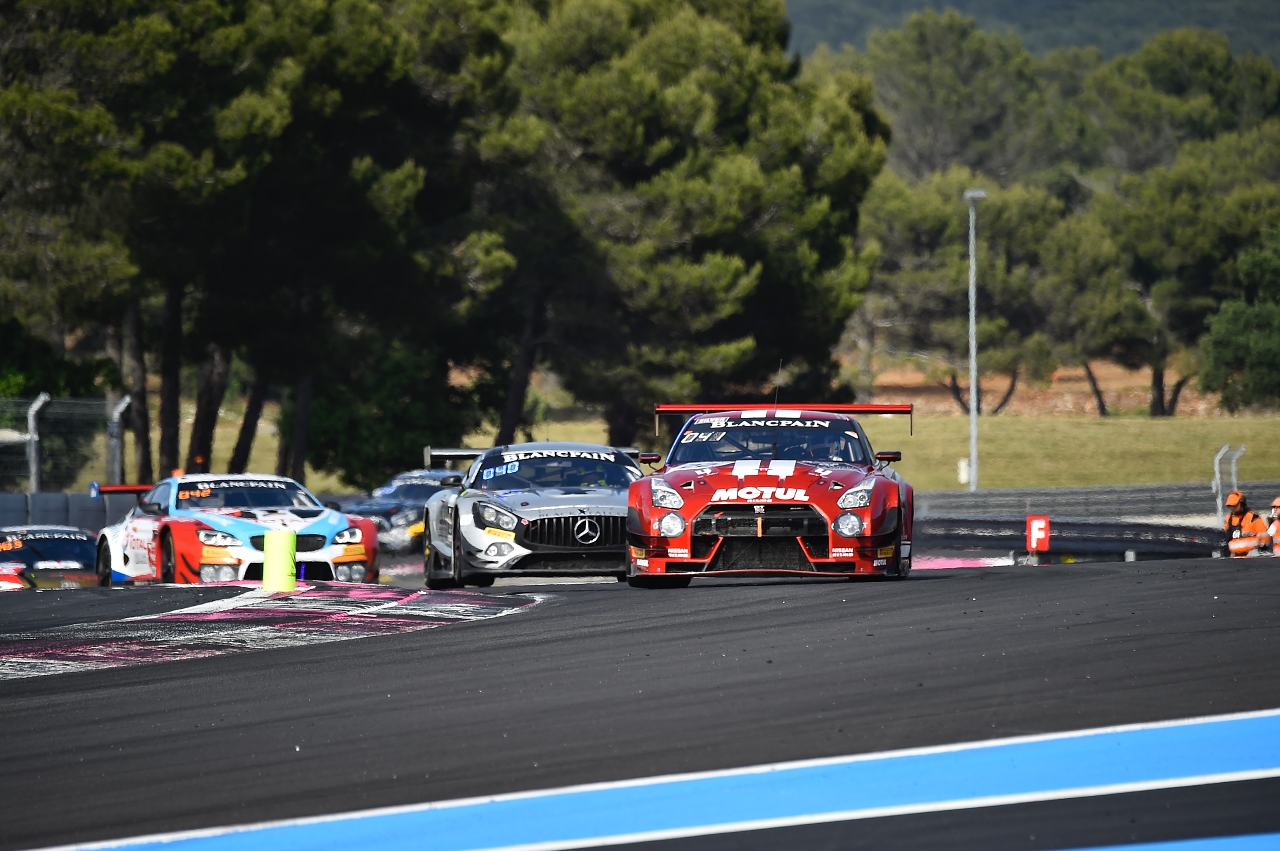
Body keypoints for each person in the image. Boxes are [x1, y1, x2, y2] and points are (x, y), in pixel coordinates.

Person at [1223, 491, 1269, 557]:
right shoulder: (1228, 518)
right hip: (1234, 556)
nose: (1233, 508)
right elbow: (1227, 537)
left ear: (1242, 503)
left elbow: (1264, 537)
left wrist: (1261, 550)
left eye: (1235, 505)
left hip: (1252, 556)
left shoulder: (1253, 517)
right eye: (1231, 506)